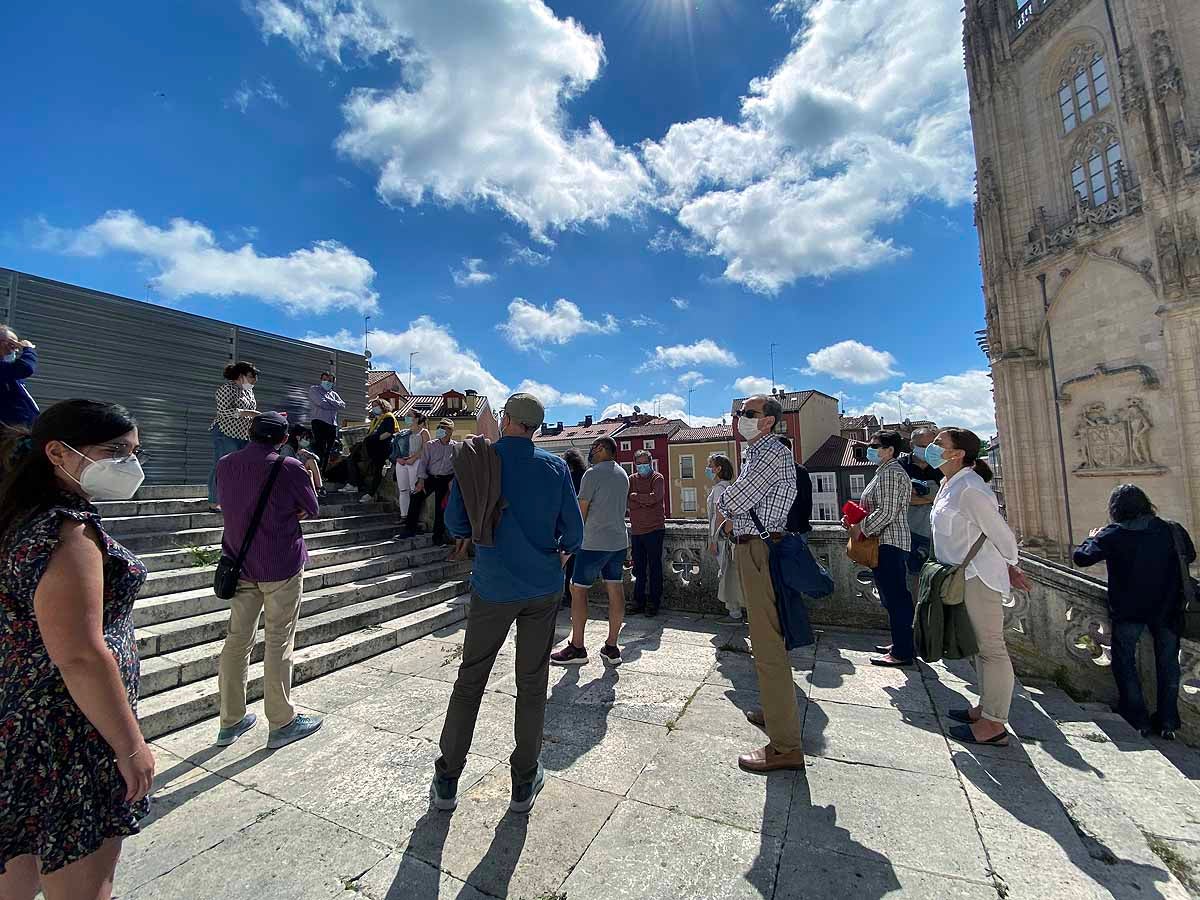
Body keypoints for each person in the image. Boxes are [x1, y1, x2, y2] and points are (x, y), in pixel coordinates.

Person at [0, 400, 153, 900]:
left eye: (133, 452)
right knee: (85, 887)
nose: (129, 464)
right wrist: (130, 746)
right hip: (69, 733)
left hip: (21, 724)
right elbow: (81, 655)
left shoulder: (19, 514)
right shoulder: (66, 530)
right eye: (115, 451)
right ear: (58, 454)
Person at [430, 393, 584, 815]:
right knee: (531, 683)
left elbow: (456, 523)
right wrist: (560, 552)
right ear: (536, 426)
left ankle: (447, 779)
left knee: (471, 679)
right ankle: (523, 780)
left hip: (493, 586)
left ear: (505, 419)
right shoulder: (554, 468)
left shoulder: (479, 459)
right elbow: (574, 532)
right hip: (542, 588)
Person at [215, 412, 322, 751]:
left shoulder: (226, 463)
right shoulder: (288, 467)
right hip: (280, 565)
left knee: (237, 641)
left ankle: (230, 721)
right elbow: (312, 506)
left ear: (250, 432)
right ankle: (282, 721)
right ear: (283, 438)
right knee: (278, 641)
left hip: (240, 564)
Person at [716, 394, 805, 773]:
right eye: (739, 413)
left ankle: (785, 745)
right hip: (756, 546)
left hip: (759, 552)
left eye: (748, 414)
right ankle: (774, 711)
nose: (740, 419)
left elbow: (733, 498)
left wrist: (730, 509)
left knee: (767, 643)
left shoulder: (769, 453)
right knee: (764, 635)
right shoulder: (759, 453)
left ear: (768, 421)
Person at [928, 427, 1025, 747]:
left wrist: (1012, 564)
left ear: (957, 454)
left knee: (991, 648)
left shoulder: (970, 488)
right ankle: (984, 708)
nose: (931, 447)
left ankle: (994, 723)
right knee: (978, 648)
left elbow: (1001, 533)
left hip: (978, 577)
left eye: (939, 443)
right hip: (961, 575)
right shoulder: (950, 484)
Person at [1073, 484, 1193, 740]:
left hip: (1129, 610)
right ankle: (1168, 721)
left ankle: (1137, 718)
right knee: (1169, 664)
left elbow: (1081, 558)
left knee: (1124, 661)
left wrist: (1093, 537)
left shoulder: (1112, 534)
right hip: (1168, 608)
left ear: (1116, 509)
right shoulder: (1171, 529)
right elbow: (1190, 555)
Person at [551, 436, 631, 666]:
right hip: (618, 541)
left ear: (604, 449)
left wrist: (568, 544)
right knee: (615, 589)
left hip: (593, 542)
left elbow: (581, 512)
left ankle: (577, 647)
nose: (591, 452)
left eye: (594, 447)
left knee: (577, 589)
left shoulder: (592, 474)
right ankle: (612, 646)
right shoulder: (622, 474)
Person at [847, 430, 915, 667]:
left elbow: (886, 511)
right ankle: (900, 643)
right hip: (888, 541)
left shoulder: (890, 473)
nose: (870, 449)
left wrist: (860, 529)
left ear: (890, 450)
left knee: (895, 597)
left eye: (875, 445)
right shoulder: (886, 471)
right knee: (892, 597)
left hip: (889, 542)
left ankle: (903, 651)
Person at [208, 362, 259, 512]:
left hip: (244, 435)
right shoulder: (226, 388)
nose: (255, 380)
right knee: (222, 466)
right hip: (225, 432)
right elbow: (222, 411)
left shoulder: (249, 392)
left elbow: (251, 412)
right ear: (240, 376)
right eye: (251, 376)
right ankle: (214, 501)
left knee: (241, 469)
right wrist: (247, 413)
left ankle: (235, 499)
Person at [400, 418, 457, 544]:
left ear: (450, 431)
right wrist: (420, 481)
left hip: (445, 479)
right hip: (430, 477)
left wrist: (452, 480)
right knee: (416, 497)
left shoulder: (455, 447)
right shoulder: (430, 445)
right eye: (439, 427)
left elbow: (457, 466)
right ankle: (409, 529)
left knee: (440, 508)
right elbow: (423, 464)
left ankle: (438, 537)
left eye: (444, 427)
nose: (440, 430)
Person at [898, 428, 944, 585]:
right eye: (921, 445)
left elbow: (946, 496)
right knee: (915, 578)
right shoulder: (900, 466)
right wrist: (932, 497)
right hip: (912, 534)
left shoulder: (942, 465)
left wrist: (917, 495)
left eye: (930, 445)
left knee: (941, 579)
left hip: (940, 533)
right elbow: (901, 498)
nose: (926, 449)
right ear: (911, 445)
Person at [706, 452, 744, 623]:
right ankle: (735, 609)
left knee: (725, 572)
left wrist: (713, 540)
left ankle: (733, 611)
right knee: (730, 571)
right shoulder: (730, 487)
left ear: (718, 469)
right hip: (728, 537)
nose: (708, 469)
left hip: (721, 537)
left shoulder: (718, 490)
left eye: (710, 466)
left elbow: (719, 516)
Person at [628, 449, 666, 616]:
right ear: (635, 464)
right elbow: (628, 501)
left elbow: (656, 498)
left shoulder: (657, 478)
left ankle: (654, 603)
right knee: (639, 568)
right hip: (636, 531)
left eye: (645, 463)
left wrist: (637, 497)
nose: (642, 466)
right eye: (639, 463)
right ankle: (638, 601)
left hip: (654, 529)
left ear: (650, 463)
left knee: (655, 567)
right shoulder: (631, 479)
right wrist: (644, 499)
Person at [559, 447, 588, 607]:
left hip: (570, 526)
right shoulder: (586, 476)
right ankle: (578, 596)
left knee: (570, 563)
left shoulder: (568, 477)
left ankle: (568, 596)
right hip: (587, 526)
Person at [392, 412, 430, 519]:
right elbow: (395, 449)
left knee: (414, 489)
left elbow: (426, 449)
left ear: (417, 419)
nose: (407, 418)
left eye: (410, 416)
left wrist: (414, 458)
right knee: (403, 490)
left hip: (415, 462)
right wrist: (398, 458)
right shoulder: (403, 433)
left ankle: (414, 518)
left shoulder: (423, 432)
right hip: (402, 463)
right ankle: (404, 515)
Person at [0, 326, 38, 428]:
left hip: (22, 431)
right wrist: (28, 349)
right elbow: (26, 368)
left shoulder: (7, 370)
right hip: (10, 434)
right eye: (12, 344)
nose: (16, 349)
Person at [306, 371, 345, 472]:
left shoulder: (334, 394)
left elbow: (342, 405)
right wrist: (333, 404)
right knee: (320, 447)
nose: (327, 382)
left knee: (329, 450)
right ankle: (316, 470)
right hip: (319, 422)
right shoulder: (314, 389)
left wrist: (328, 400)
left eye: (330, 381)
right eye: (325, 380)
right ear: (321, 380)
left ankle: (322, 472)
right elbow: (320, 403)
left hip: (332, 424)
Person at [279, 423, 324, 497]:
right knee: (309, 473)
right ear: (297, 437)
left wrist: (308, 453)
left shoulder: (306, 449)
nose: (307, 441)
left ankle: (320, 488)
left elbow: (317, 459)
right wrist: (298, 456)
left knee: (311, 462)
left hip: (301, 470)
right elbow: (287, 465)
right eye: (305, 438)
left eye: (308, 439)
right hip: (291, 473)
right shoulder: (288, 448)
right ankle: (314, 495)